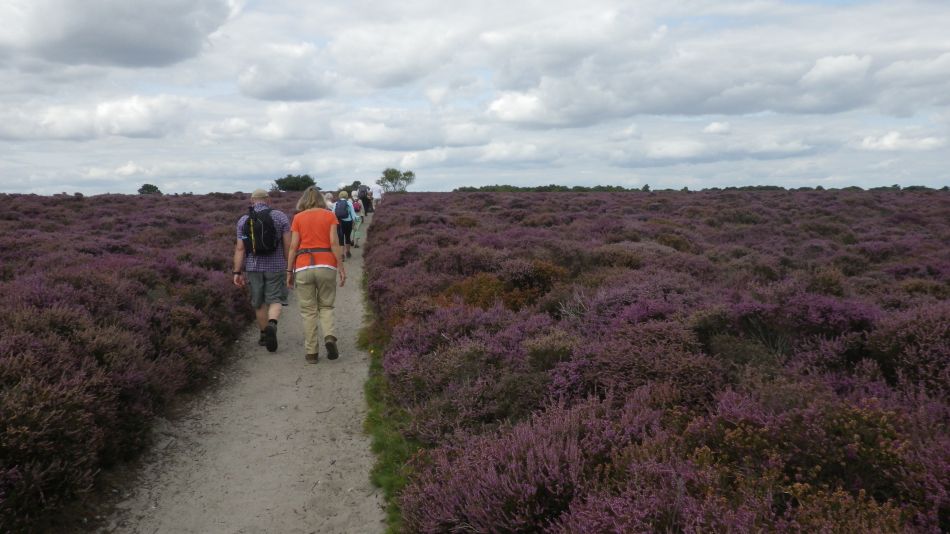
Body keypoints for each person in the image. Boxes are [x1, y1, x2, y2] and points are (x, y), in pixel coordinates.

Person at [286, 187, 346, 364]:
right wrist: (341, 267)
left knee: (308, 311)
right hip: (326, 264)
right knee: (326, 306)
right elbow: (335, 243)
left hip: (303, 265)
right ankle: (329, 336)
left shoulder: (298, 218)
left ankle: (311, 353)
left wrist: (289, 271)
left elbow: (293, 247)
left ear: (303, 200)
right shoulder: (329, 215)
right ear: (320, 199)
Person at [233, 188, 291, 352]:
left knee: (259, 303)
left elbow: (240, 248)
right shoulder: (280, 216)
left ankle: (264, 334)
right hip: (276, 266)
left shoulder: (244, 220)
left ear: (252, 201)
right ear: (268, 200)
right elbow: (288, 245)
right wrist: (289, 266)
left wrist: (237, 272)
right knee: (275, 299)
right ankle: (272, 323)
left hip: (253, 267)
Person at [333, 190, 358, 259]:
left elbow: (333, 214)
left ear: (340, 196)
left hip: (339, 222)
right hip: (348, 222)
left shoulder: (335, 203)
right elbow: (353, 214)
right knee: (347, 237)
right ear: (347, 196)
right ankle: (348, 252)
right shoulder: (349, 203)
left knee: (341, 238)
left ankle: (342, 255)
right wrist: (355, 223)